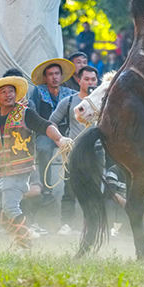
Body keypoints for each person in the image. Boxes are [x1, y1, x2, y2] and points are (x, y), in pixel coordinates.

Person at [0, 75, 73, 249]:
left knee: (10, 208)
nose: (8, 95)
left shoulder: (25, 113)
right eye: (4, 92)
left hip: (19, 170)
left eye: (11, 91)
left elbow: (46, 126)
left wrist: (60, 139)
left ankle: (25, 243)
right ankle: (20, 233)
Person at [50, 66, 99, 235]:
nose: (90, 82)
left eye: (93, 79)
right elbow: (52, 122)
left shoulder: (103, 102)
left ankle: (92, 224)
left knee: (95, 188)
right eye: (86, 79)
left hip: (97, 150)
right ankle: (67, 224)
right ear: (79, 81)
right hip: (74, 150)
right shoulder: (69, 101)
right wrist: (60, 140)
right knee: (69, 188)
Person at [29, 58, 76, 205]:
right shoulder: (38, 92)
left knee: (76, 150)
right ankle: (46, 189)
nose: (54, 77)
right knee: (43, 148)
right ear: (45, 78)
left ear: (62, 76)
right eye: (50, 74)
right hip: (44, 132)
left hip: (66, 132)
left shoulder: (70, 93)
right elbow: (33, 114)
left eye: (57, 74)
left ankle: (73, 188)